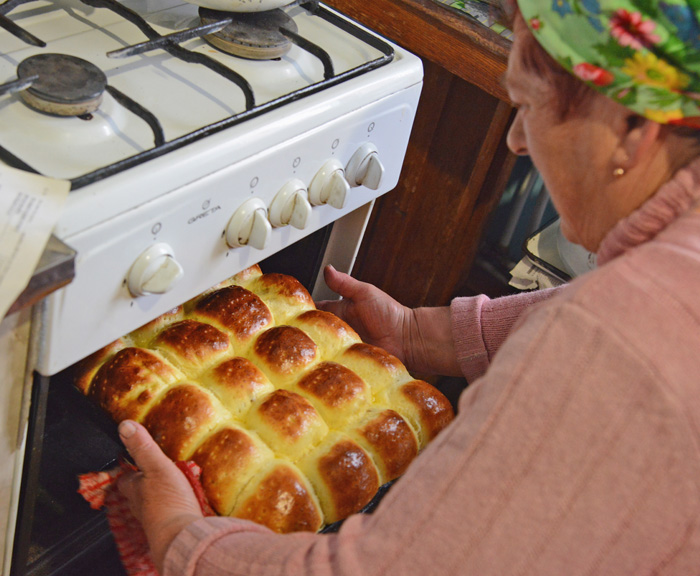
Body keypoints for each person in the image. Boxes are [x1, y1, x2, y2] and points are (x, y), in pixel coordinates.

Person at [117, 0, 700, 573]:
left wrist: (179, 539)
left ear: (633, 128)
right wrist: (422, 335)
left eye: (528, 104)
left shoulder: (620, 334)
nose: (518, 140)